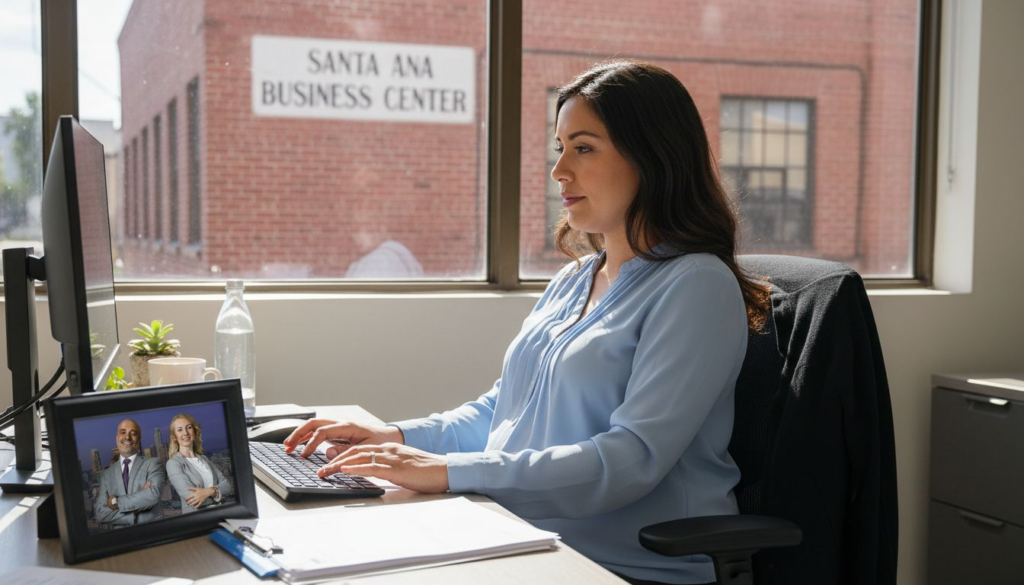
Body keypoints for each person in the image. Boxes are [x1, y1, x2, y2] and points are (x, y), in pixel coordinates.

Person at [284, 61, 770, 585]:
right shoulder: (577, 278)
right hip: (519, 535)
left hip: (618, 566)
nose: (560, 170)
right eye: (559, 148)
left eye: (583, 148)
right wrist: (393, 435)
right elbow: (504, 409)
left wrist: (447, 473)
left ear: (652, 156)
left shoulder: (696, 285)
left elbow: (630, 460)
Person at [94, 418, 166, 529]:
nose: (127, 437)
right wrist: (137, 507)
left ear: (139, 439)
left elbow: (153, 495)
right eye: (123, 432)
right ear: (117, 437)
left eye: (133, 433)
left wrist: (116, 502)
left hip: (152, 532)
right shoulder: (106, 475)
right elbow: (100, 514)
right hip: (121, 539)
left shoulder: (153, 463)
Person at [165, 413, 233, 513]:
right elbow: (191, 498)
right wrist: (217, 492)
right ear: (174, 437)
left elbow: (227, 486)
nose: (185, 433)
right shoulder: (173, 463)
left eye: (189, 428)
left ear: (194, 431)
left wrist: (207, 492)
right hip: (196, 517)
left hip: (219, 513)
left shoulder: (204, 459)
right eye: (180, 430)